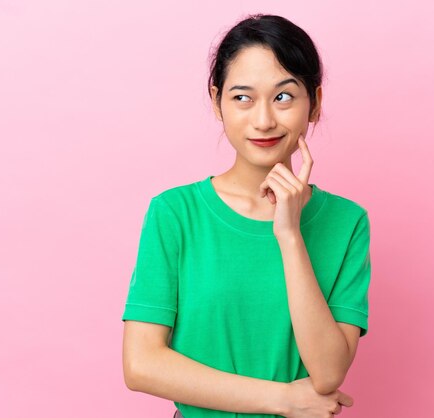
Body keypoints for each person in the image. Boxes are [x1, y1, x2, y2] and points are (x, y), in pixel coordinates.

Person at [121, 13, 372, 418]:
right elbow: (141, 364)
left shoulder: (347, 222)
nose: (263, 120)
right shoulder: (175, 213)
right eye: (242, 97)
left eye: (284, 96)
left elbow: (327, 374)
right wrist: (284, 399)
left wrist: (289, 234)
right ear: (217, 102)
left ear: (316, 104)